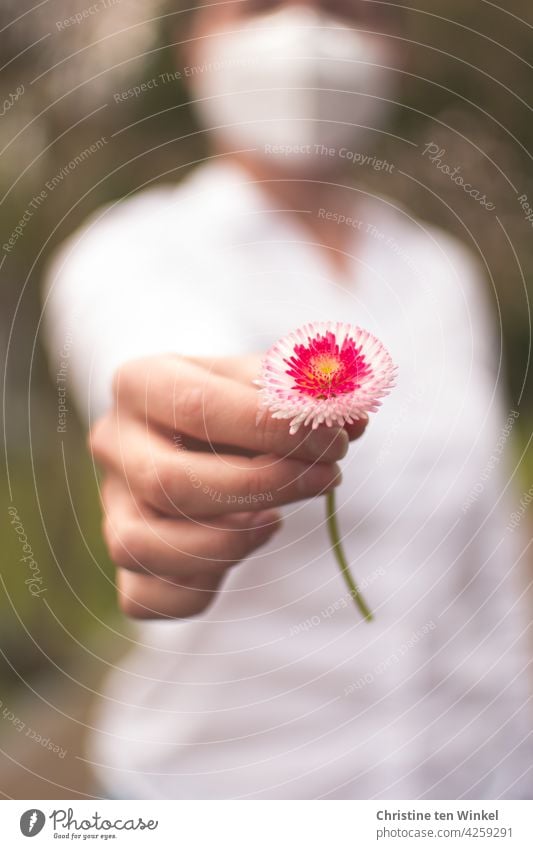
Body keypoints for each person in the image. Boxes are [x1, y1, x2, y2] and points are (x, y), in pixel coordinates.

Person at [43, 0, 531, 799]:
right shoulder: (128, 256)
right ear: (197, 43)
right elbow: (160, 369)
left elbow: (492, 547)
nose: (302, 37)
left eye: (349, 9)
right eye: (261, 5)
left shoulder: (441, 273)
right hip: (232, 792)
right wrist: (175, 459)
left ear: (395, 52)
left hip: (478, 781)